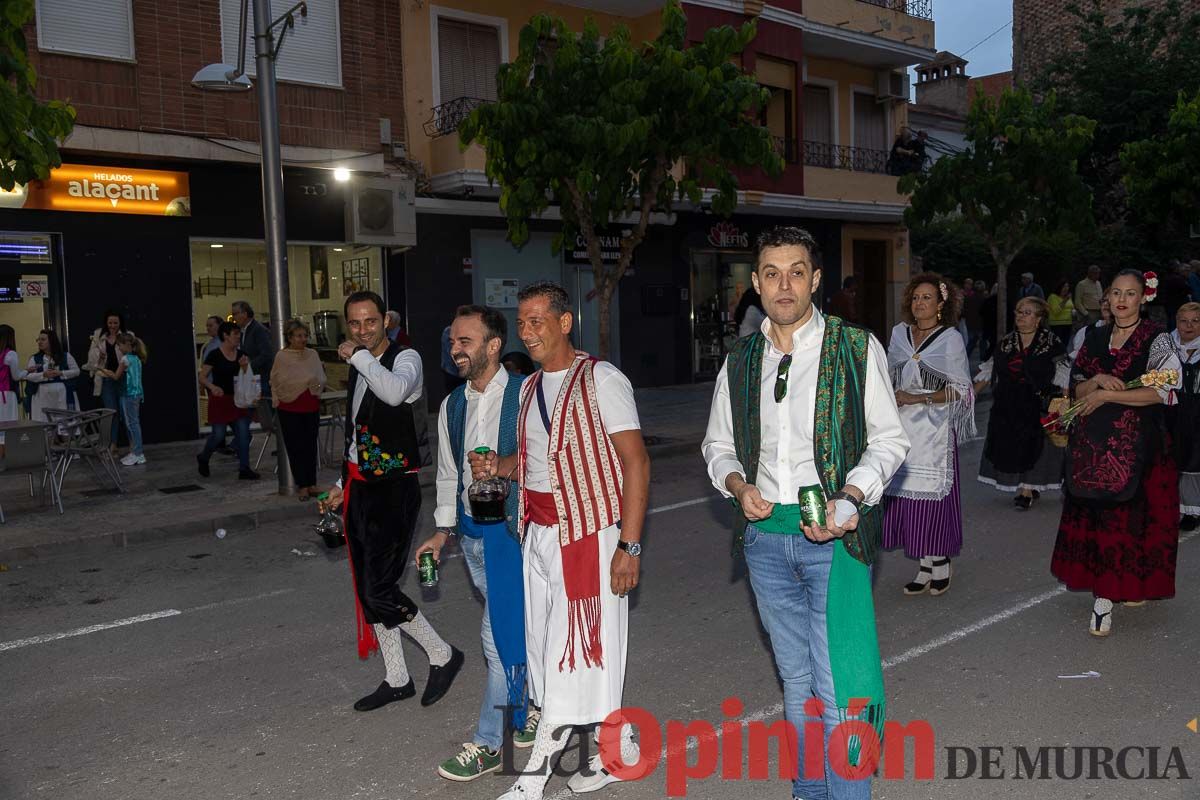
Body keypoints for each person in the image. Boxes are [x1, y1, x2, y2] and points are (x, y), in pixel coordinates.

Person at [702, 227, 909, 800]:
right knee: (796, 679)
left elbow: (889, 441)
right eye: (772, 273)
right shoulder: (741, 358)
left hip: (836, 537)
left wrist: (851, 498)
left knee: (841, 681)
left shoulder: (854, 346)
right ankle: (809, 788)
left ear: (815, 280)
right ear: (756, 283)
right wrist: (738, 486)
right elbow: (716, 446)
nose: (784, 284)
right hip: (765, 539)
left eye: (796, 271)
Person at [469, 281, 650, 800]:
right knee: (559, 652)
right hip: (539, 537)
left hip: (590, 539)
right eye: (521, 324)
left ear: (565, 322)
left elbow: (636, 462)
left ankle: (534, 777)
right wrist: (498, 469)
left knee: (570, 658)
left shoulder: (601, 379)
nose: (528, 332)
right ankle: (623, 751)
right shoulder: (527, 389)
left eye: (537, 321)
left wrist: (629, 546)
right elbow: (533, 463)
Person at [317, 291, 463, 713]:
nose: (362, 330)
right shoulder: (362, 364)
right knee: (368, 590)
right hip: (361, 486)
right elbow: (357, 433)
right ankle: (397, 677)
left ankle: (442, 654)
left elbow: (395, 393)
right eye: (355, 324)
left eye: (370, 322)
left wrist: (358, 357)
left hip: (395, 490)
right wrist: (341, 483)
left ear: (386, 320)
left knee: (380, 588)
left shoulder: (407, 359)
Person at [416, 305, 538, 782]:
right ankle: (523, 708)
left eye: (465, 341)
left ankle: (491, 742)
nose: (455, 349)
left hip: (515, 535)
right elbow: (448, 476)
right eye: (452, 342)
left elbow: (548, 461)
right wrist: (443, 531)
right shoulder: (453, 406)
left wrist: (504, 467)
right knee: (515, 630)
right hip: (472, 536)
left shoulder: (527, 395)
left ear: (493, 346)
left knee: (496, 634)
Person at [1051, 269, 1181, 637]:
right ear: (1106, 298)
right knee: (1102, 520)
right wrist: (1095, 382)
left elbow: (1162, 392)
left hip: (1141, 446)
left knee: (1132, 521)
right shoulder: (1094, 336)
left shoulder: (1157, 339)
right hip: (1093, 448)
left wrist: (1109, 395)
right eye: (1116, 293)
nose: (1122, 300)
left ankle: (1112, 595)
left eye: (1130, 293)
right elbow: (1075, 387)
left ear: (1144, 298)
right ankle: (1107, 595)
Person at [883, 274, 975, 596]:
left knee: (931, 500)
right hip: (902, 427)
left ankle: (941, 562)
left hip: (933, 428)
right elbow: (889, 376)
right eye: (916, 297)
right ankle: (923, 563)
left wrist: (917, 398)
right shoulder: (899, 334)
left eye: (927, 298)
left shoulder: (949, 339)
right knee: (906, 498)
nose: (919, 303)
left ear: (940, 305)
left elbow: (961, 390)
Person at [976, 297, 1065, 509]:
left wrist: (1065, 401)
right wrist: (968, 397)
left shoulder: (1051, 342)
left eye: (1027, 313)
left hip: (1038, 403)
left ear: (1038, 318)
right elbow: (989, 370)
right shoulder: (1006, 342)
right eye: (1018, 312)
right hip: (1008, 404)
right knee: (1014, 447)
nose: (1020, 316)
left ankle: (1027, 490)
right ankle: (1026, 486)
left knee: (1036, 447)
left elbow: (1063, 372)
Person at [270, 319, 327, 499]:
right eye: (299, 336)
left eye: (305, 336)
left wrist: (315, 382)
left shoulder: (312, 354)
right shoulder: (282, 356)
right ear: (290, 338)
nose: (303, 339)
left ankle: (312, 483)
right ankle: (302, 485)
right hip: (290, 407)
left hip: (310, 405)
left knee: (310, 446)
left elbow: (321, 377)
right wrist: (304, 380)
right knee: (295, 447)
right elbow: (278, 381)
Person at [197, 321, 258, 480]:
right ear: (225, 336)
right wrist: (212, 387)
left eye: (239, 334)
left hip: (237, 400)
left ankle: (244, 468)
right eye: (235, 334)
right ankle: (204, 457)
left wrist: (245, 367)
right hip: (220, 400)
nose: (238, 337)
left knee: (243, 434)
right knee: (218, 435)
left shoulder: (241, 354)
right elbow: (202, 377)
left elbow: (247, 377)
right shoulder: (214, 355)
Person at [1170, 303, 1200, 531]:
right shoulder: (1166, 348)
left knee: (1196, 460)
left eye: (1195, 321)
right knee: (1178, 458)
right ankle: (1183, 508)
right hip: (1174, 412)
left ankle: (1193, 511)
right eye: (1183, 321)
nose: (1188, 326)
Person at [85, 311, 134, 449]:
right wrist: (100, 356)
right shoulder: (99, 336)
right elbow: (91, 361)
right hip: (107, 379)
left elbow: (132, 357)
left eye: (115, 323)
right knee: (111, 413)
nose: (112, 325)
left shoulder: (127, 335)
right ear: (106, 323)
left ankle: (133, 444)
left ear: (120, 323)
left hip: (124, 378)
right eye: (110, 323)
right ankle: (112, 445)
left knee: (126, 413)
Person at [100, 333, 147, 466]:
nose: (119, 348)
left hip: (128, 395)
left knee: (132, 424)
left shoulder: (125, 359)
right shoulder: (137, 359)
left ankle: (138, 453)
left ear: (126, 345)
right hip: (137, 394)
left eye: (119, 345)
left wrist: (105, 371)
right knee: (134, 423)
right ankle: (136, 452)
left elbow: (116, 376)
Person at [24, 329, 80, 422]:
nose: (39, 342)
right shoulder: (35, 358)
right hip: (42, 396)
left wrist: (61, 373)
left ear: (51, 341)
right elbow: (29, 376)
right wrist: (43, 375)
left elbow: (76, 371)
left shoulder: (65, 356)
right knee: (46, 424)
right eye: (38, 340)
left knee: (64, 423)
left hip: (62, 395)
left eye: (43, 339)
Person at [0, 324, 30, 457]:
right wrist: (27, 371)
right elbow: (16, 376)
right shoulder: (10, 353)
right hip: (6, 395)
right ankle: (7, 458)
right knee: (8, 426)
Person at [1160, 262, 1191, 332]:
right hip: (1176, 303)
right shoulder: (1177, 279)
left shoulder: (1167, 277)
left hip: (1170, 302)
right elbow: (1187, 289)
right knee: (1174, 320)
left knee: (1172, 319)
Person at [1046, 279, 1075, 345]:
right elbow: (1056, 311)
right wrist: (1065, 300)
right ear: (1059, 287)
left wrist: (1074, 312)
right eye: (1064, 286)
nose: (1066, 288)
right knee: (1058, 344)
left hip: (1068, 323)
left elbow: (1072, 307)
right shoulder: (1053, 297)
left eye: (1067, 286)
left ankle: (1064, 355)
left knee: (1066, 343)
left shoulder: (1068, 297)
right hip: (1057, 324)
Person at [441, 324, 466, 394]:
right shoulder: (448, 331)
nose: (453, 351)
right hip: (452, 373)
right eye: (452, 342)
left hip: (450, 372)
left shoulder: (448, 331)